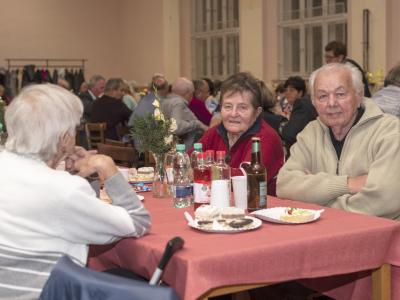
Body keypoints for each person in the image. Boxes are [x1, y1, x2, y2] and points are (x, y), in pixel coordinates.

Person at [0, 84, 151, 298]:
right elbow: (138, 222)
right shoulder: (62, 190)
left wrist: (66, 167)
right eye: (74, 130)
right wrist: (106, 166)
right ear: (63, 138)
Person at [277, 63, 400, 220]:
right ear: (314, 102)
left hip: (378, 238)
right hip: (321, 235)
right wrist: (348, 184)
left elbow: (384, 200)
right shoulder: (311, 132)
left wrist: (316, 199)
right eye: (322, 96)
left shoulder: (389, 132)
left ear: (359, 95)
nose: (331, 103)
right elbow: (284, 185)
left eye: (340, 94)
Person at [194, 72, 284, 196]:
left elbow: (246, 180)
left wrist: (203, 170)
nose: (233, 113)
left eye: (242, 108)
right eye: (228, 106)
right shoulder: (215, 132)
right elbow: (189, 160)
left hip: (258, 210)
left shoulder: (266, 138)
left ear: (257, 112)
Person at [161, 77, 207, 150]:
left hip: (169, 147)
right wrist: (196, 124)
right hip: (184, 150)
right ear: (188, 92)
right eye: (192, 93)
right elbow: (176, 127)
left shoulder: (165, 102)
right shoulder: (178, 103)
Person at [281, 76, 317, 155]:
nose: (287, 93)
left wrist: (282, 125)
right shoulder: (288, 107)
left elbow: (289, 133)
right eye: (286, 90)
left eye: (291, 90)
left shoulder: (301, 105)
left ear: (300, 93)